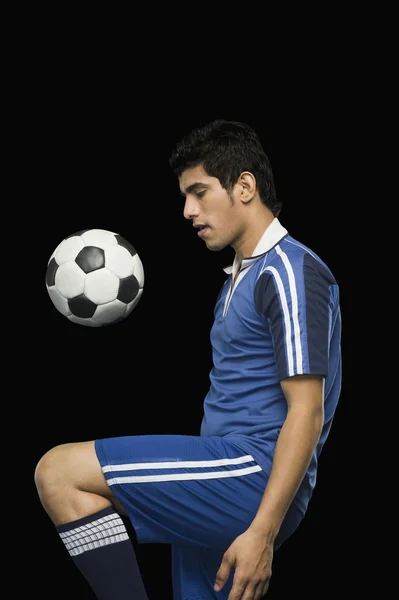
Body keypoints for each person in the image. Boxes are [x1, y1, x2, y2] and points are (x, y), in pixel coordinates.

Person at [34, 119, 342, 600]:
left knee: (58, 473)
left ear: (244, 186)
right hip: (224, 475)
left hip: (250, 474)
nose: (187, 210)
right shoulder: (238, 279)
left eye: (199, 192)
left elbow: (308, 409)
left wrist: (262, 532)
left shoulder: (289, 272)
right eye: (184, 196)